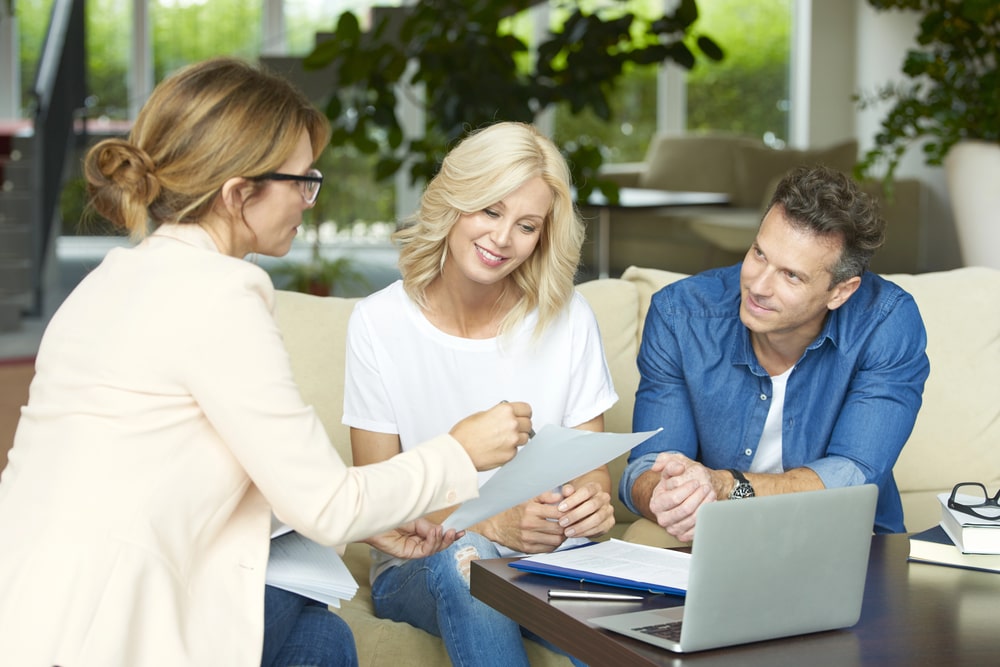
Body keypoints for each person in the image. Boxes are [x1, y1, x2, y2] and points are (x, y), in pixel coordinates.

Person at [0, 58, 534, 667]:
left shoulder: (111, 279)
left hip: (27, 605)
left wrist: (369, 521)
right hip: (107, 626)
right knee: (314, 630)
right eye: (301, 180)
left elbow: (155, 464)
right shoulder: (217, 296)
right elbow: (328, 504)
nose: (309, 200)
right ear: (238, 194)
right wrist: (460, 452)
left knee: (319, 637)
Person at [343, 121, 618, 666]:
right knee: (470, 560)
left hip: (552, 560)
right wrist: (488, 523)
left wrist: (589, 506)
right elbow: (375, 498)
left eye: (527, 225)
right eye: (490, 211)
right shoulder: (377, 322)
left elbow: (591, 468)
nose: (502, 239)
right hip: (426, 563)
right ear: (455, 201)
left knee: (630, 631)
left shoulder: (568, 318)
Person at [621, 164, 929, 542]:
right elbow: (646, 466)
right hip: (717, 532)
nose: (759, 286)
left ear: (840, 292)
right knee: (644, 536)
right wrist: (668, 495)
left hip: (842, 536)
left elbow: (853, 476)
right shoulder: (679, 316)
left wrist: (726, 487)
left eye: (792, 275)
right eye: (759, 254)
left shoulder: (886, 322)